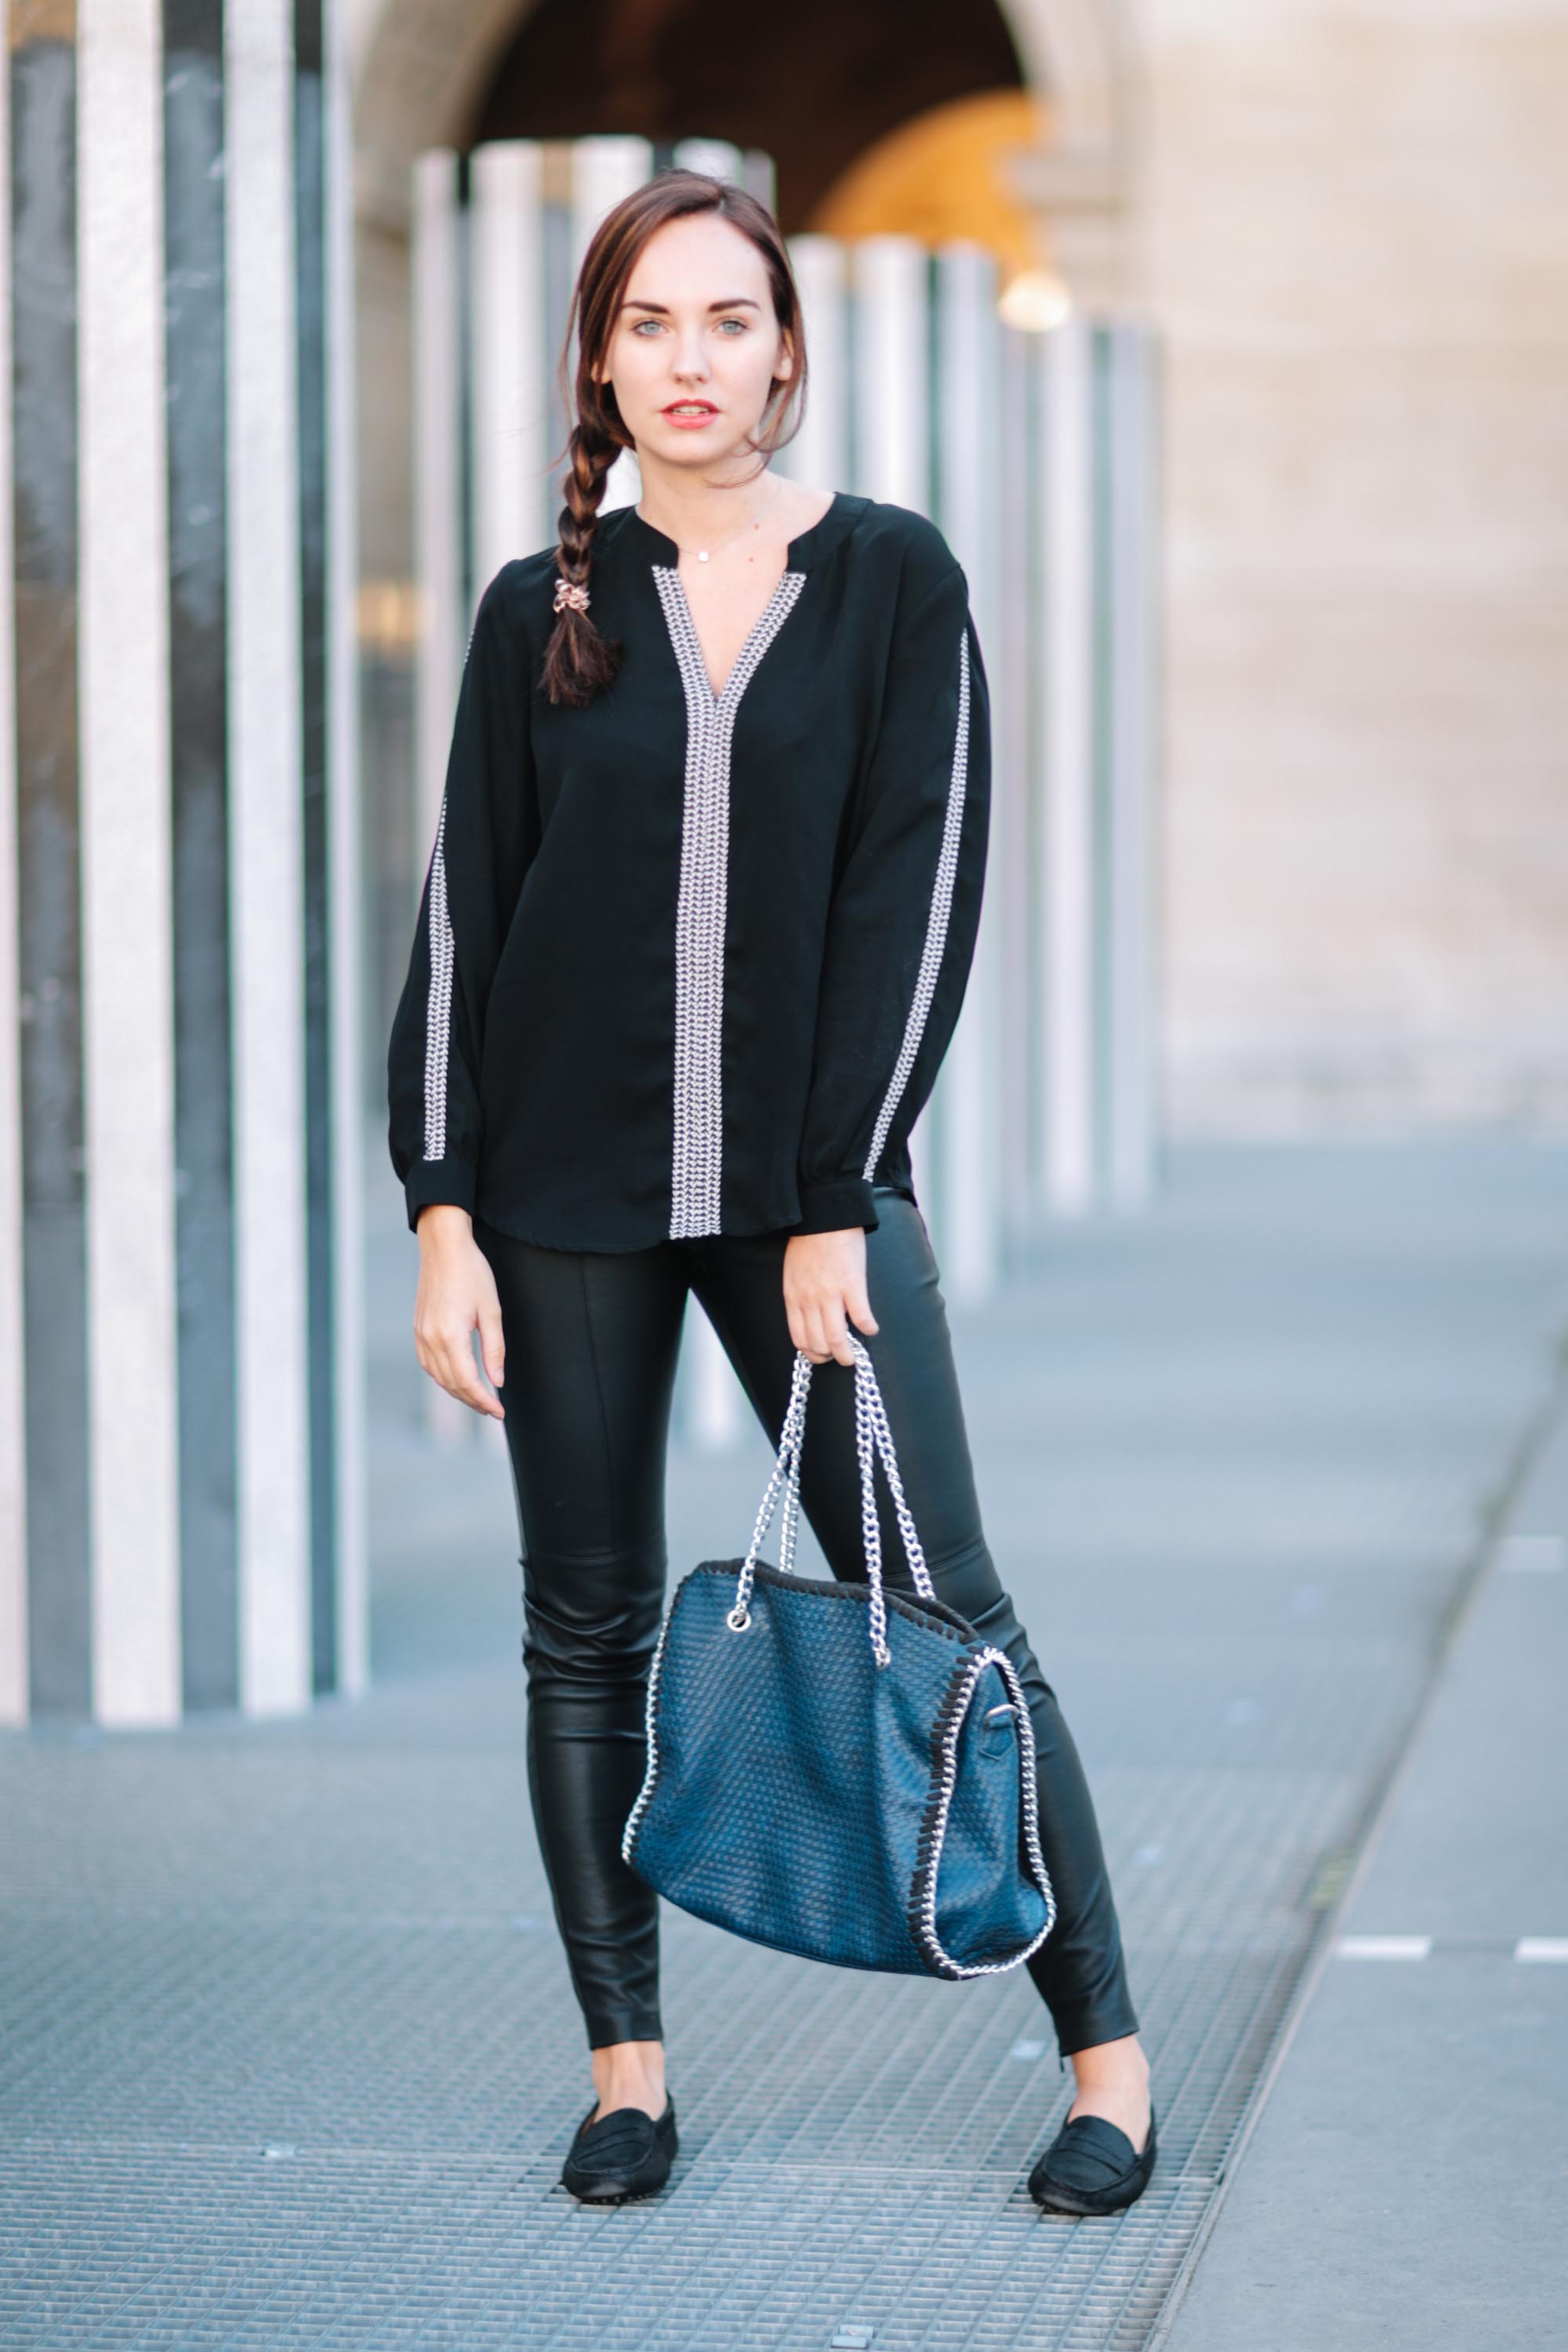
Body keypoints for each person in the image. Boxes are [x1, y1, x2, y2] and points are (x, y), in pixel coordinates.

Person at [387, 166, 1155, 2216]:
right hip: (560, 1192)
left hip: (806, 1202)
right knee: (584, 1632)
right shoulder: (538, 607)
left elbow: (919, 897)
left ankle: (1107, 2058)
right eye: (648, 326)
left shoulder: (895, 580)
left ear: (788, 349)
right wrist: (442, 1204)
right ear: (600, 360)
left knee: (955, 1611)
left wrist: (839, 1193)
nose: (689, 362)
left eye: (726, 320)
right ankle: (627, 2067)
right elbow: (471, 913)